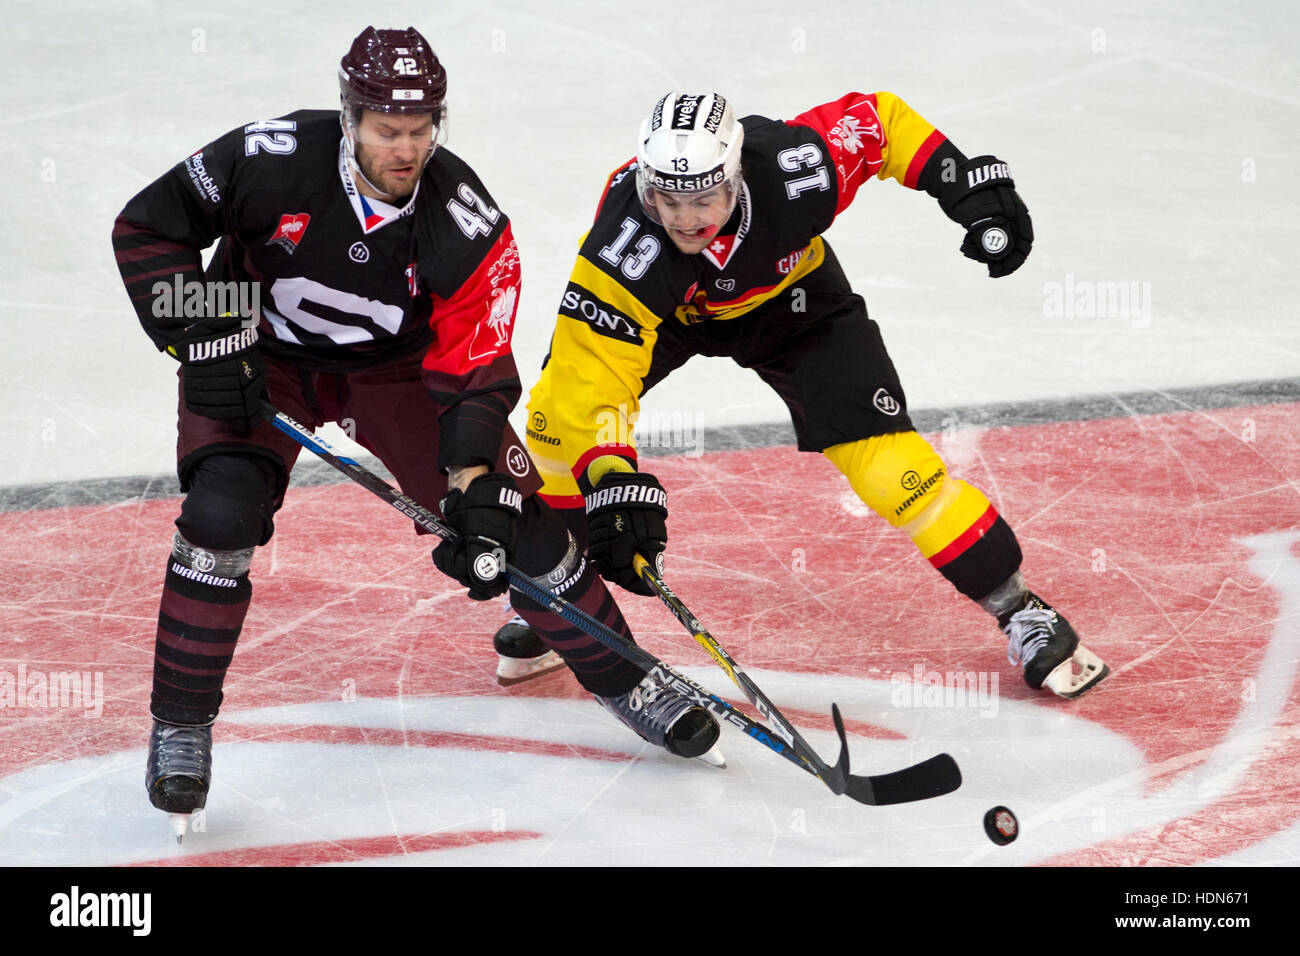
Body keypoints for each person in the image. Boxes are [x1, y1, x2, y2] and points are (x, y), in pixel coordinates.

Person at [111, 29, 721, 839]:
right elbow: (148, 230)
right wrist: (203, 334)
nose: (406, 147)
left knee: (517, 518)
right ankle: (181, 724)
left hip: (395, 374)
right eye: (386, 129)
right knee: (220, 514)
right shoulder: (268, 157)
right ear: (350, 117)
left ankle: (626, 676)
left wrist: (474, 490)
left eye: (421, 127)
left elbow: (473, 364)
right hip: (257, 357)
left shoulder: (467, 223)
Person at [519, 91, 1109, 701]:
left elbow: (881, 123)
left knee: (892, 469)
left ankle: (1018, 608)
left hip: (793, 304)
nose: (686, 218)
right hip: (670, 314)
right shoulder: (625, 248)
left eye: (704, 197)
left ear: (737, 176)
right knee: (554, 428)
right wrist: (612, 477)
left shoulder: (795, 167)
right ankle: (564, 597)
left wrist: (963, 187)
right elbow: (593, 380)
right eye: (667, 198)